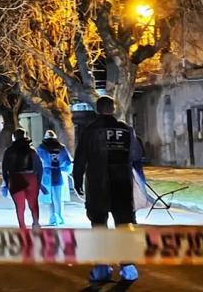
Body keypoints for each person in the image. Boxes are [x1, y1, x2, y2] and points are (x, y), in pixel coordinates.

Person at [73, 95, 144, 283]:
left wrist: (77, 179)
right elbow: (136, 156)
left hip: (98, 185)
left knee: (99, 225)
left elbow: (80, 158)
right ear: (113, 109)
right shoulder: (126, 130)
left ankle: (102, 269)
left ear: (97, 110)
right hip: (122, 184)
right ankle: (129, 268)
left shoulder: (89, 131)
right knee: (124, 225)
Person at [1, 129, 47, 230]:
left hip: (15, 179)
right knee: (33, 204)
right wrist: (38, 182)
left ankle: (22, 227)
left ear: (14, 137)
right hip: (31, 178)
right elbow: (39, 167)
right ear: (25, 136)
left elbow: (4, 168)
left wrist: (6, 182)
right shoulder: (31, 150)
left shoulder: (8, 151)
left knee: (20, 206)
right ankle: (36, 223)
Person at [37, 130, 73, 226]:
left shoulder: (41, 148)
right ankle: (60, 216)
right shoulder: (61, 148)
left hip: (47, 174)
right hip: (59, 174)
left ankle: (53, 217)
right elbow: (68, 163)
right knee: (59, 197)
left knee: (50, 198)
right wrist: (65, 169)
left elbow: (37, 162)